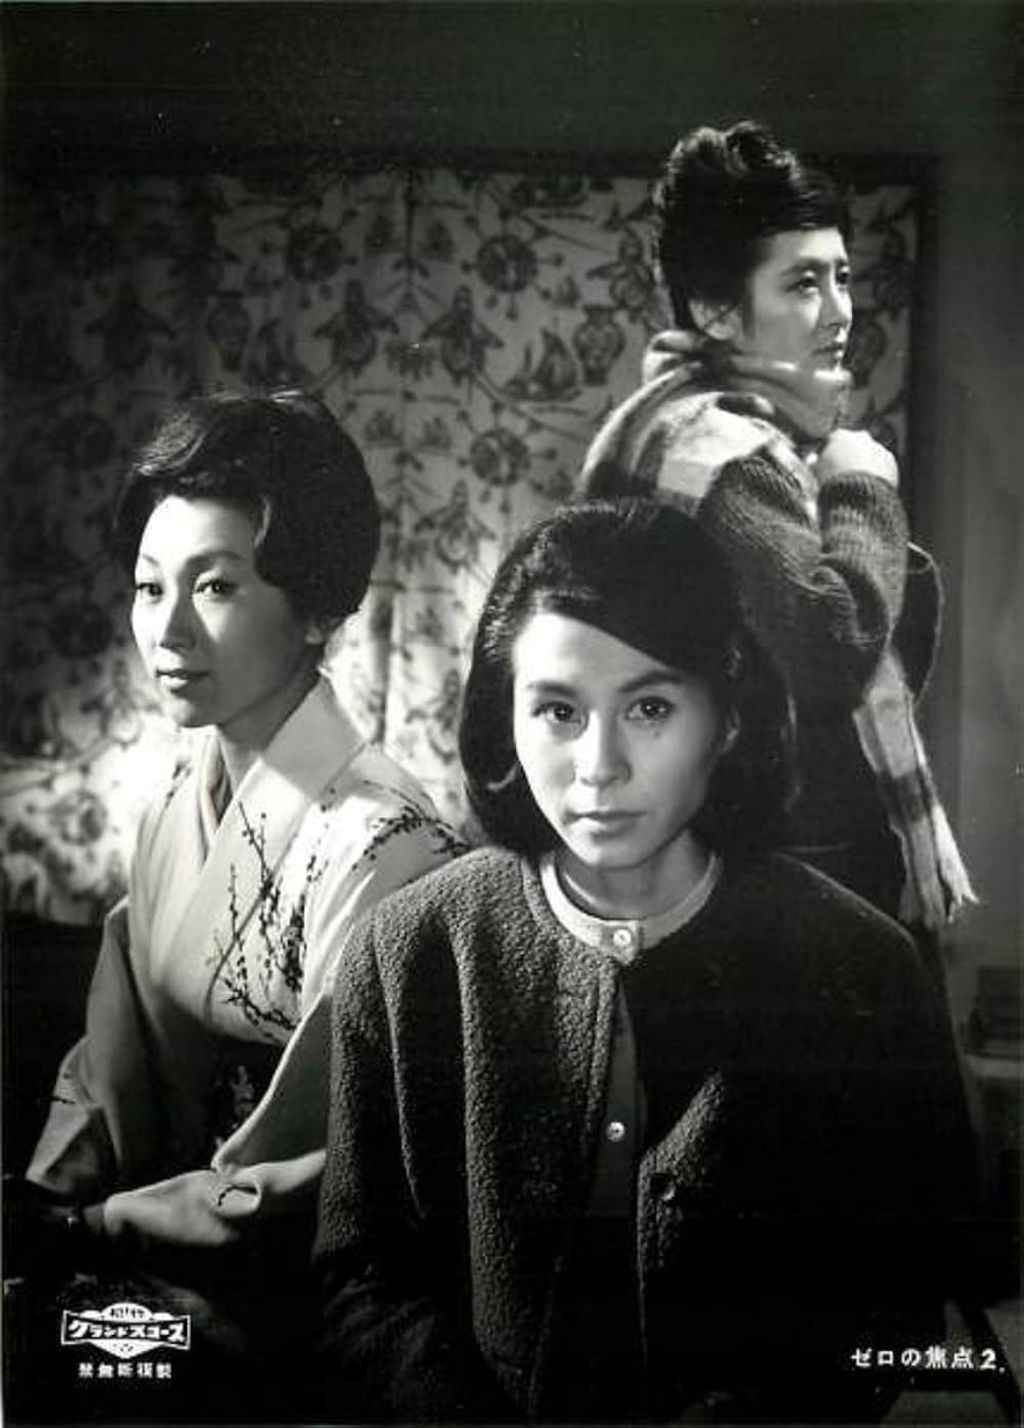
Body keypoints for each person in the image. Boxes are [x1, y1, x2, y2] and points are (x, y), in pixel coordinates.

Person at [312, 499, 976, 1424]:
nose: (599, 766)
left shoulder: (866, 968)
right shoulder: (408, 951)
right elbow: (361, 1280)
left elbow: (902, 1296)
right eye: (557, 710)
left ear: (728, 719)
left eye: (650, 708)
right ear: (505, 720)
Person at [7, 390, 462, 1415]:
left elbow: (320, 1172)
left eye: (214, 585)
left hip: (309, 1301)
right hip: (155, 1253)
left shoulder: (389, 845)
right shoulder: (175, 806)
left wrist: (92, 1232)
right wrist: (40, 1205)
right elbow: (108, 1066)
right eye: (148, 586)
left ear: (315, 608)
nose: (165, 629)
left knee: (61, 1364)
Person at [580, 120, 973, 936]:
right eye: (802, 284)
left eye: (841, 277)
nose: (840, 313)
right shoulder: (721, 455)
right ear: (718, 311)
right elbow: (832, 651)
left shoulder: (677, 425)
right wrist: (862, 487)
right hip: (773, 892)